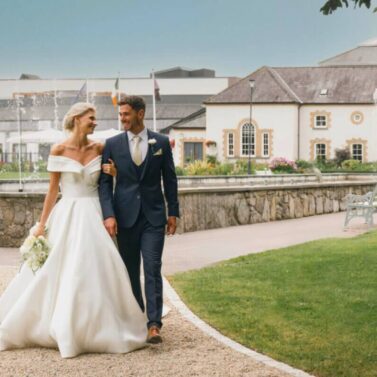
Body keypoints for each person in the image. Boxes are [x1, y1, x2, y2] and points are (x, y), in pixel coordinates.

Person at [0, 102, 147, 358]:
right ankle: (58, 323)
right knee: (63, 268)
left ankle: (102, 323)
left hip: (95, 214)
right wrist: (41, 226)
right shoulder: (58, 149)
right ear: (77, 119)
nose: (95, 122)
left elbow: (115, 181)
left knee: (97, 266)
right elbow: (52, 191)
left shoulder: (100, 148)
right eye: (91, 118)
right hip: (67, 213)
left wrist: (116, 172)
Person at [99, 95, 179, 344]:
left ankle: (154, 324)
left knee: (153, 267)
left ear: (140, 114)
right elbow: (104, 183)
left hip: (154, 217)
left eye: (125, 114)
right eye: (120, 114)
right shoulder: (111, 144)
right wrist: (109, 214)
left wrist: (173, 212)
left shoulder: (161, 142)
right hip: (124, 218)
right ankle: (137, 318)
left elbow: (170, 179)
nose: (121, 118)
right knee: (130, 271)